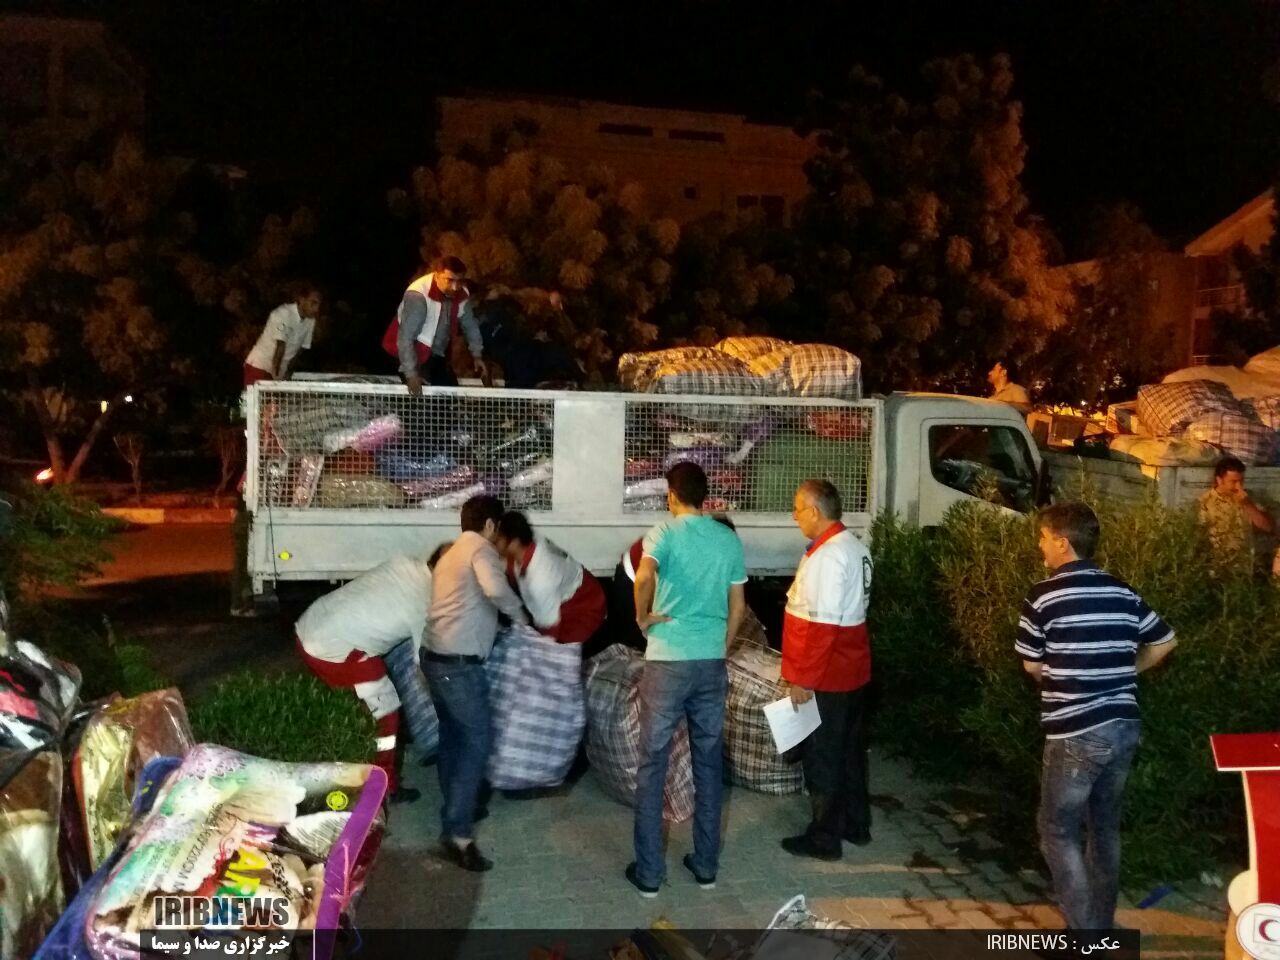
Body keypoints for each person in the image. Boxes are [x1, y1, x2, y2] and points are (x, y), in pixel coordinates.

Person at [1015, 501, 1176, 930]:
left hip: (1076, 731)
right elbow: (1165, 641)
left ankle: (1087, 935)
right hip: (1123, 725)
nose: (1040, 545)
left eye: (1044, 537)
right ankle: (1099, 925)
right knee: (1104, 828)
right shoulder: (1123, 591)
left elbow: (1031, 665)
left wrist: (1060, 674)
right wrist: (1128, 671)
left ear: (1062, 543)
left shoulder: (1042, 596)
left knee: (1056, 830)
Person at [627, 464, 747, 897]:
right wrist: (722, 646)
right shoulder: (727, 539)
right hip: (709, 662)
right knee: (708, 764)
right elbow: (738, 607)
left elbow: (644, 577)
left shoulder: (663, 532)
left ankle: (649, 874)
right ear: (705, 495)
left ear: (671, 495)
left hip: (667, 662)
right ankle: (705, 866)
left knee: (652, 764)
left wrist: (642, 617)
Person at [424, 495, 529, 872]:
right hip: (458, 666)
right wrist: (521, 617)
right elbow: (495, 590)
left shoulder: (451, 553)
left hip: (435, 658)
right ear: (489, 525)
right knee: (477, 741)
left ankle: (457, 808)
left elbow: (467, 604)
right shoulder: (480, 550)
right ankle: (458, 833)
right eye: (496, 528)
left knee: (453, 737)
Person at [778, 480, 874, 861]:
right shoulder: (854, 547)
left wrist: (803, 679)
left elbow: (822, 627)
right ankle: (855, 824)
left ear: (815, 511)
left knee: (824, 757)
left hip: (829, 676)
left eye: (798, 508)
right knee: (850, 752)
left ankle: (824, 838)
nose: (795, 516)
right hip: (851, 671)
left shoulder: (828, 556)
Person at [294, 551, 438, 803]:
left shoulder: (404, 563)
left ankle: (349, 762)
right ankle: (384, 787)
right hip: (334, 650)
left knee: (359, 707)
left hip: (310, 623)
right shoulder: (424, 606)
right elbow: (423, 667)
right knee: (387, 717)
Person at [494, 511, 606, 645]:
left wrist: (539, 648)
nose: (493, 541)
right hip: (568, 586)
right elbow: (513, 572)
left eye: (498, 539)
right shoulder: (529, 542)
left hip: (583, 605)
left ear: (514, 543)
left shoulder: (541, 580)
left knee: (562, 649)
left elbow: (549, 630)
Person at [392, 256, 486, 394]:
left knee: (449, 394)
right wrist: (411, 374)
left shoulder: (461, 293)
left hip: (435, 352)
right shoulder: (418, 296)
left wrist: (477, 355)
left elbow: (470, 325)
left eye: (459, 281)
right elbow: (405, 338)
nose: (455, 287)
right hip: (409, 352)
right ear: (437, 276)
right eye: (450, 280)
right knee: (421, 398)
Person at [1199, 456, 1275, 573]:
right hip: (1217, 569)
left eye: (1241, 481)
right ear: (1219, 480)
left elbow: (1267, 527)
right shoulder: (1206, 502)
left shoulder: (1250, 498)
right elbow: (1199, 536)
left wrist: (1247, 505)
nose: (1238, 486)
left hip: (1244, 568)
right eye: (1233, 482)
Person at [243, 285, 322, 385]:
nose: (316, 309)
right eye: (313, 303)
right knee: (257, 395)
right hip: (260, 365)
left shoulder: (310, 321)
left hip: (279, 370)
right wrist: (276, 376)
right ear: (302, 299)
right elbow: (280, 347)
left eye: (319, 304)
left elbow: (300, 349)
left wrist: (286, 371)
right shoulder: (283, 313)